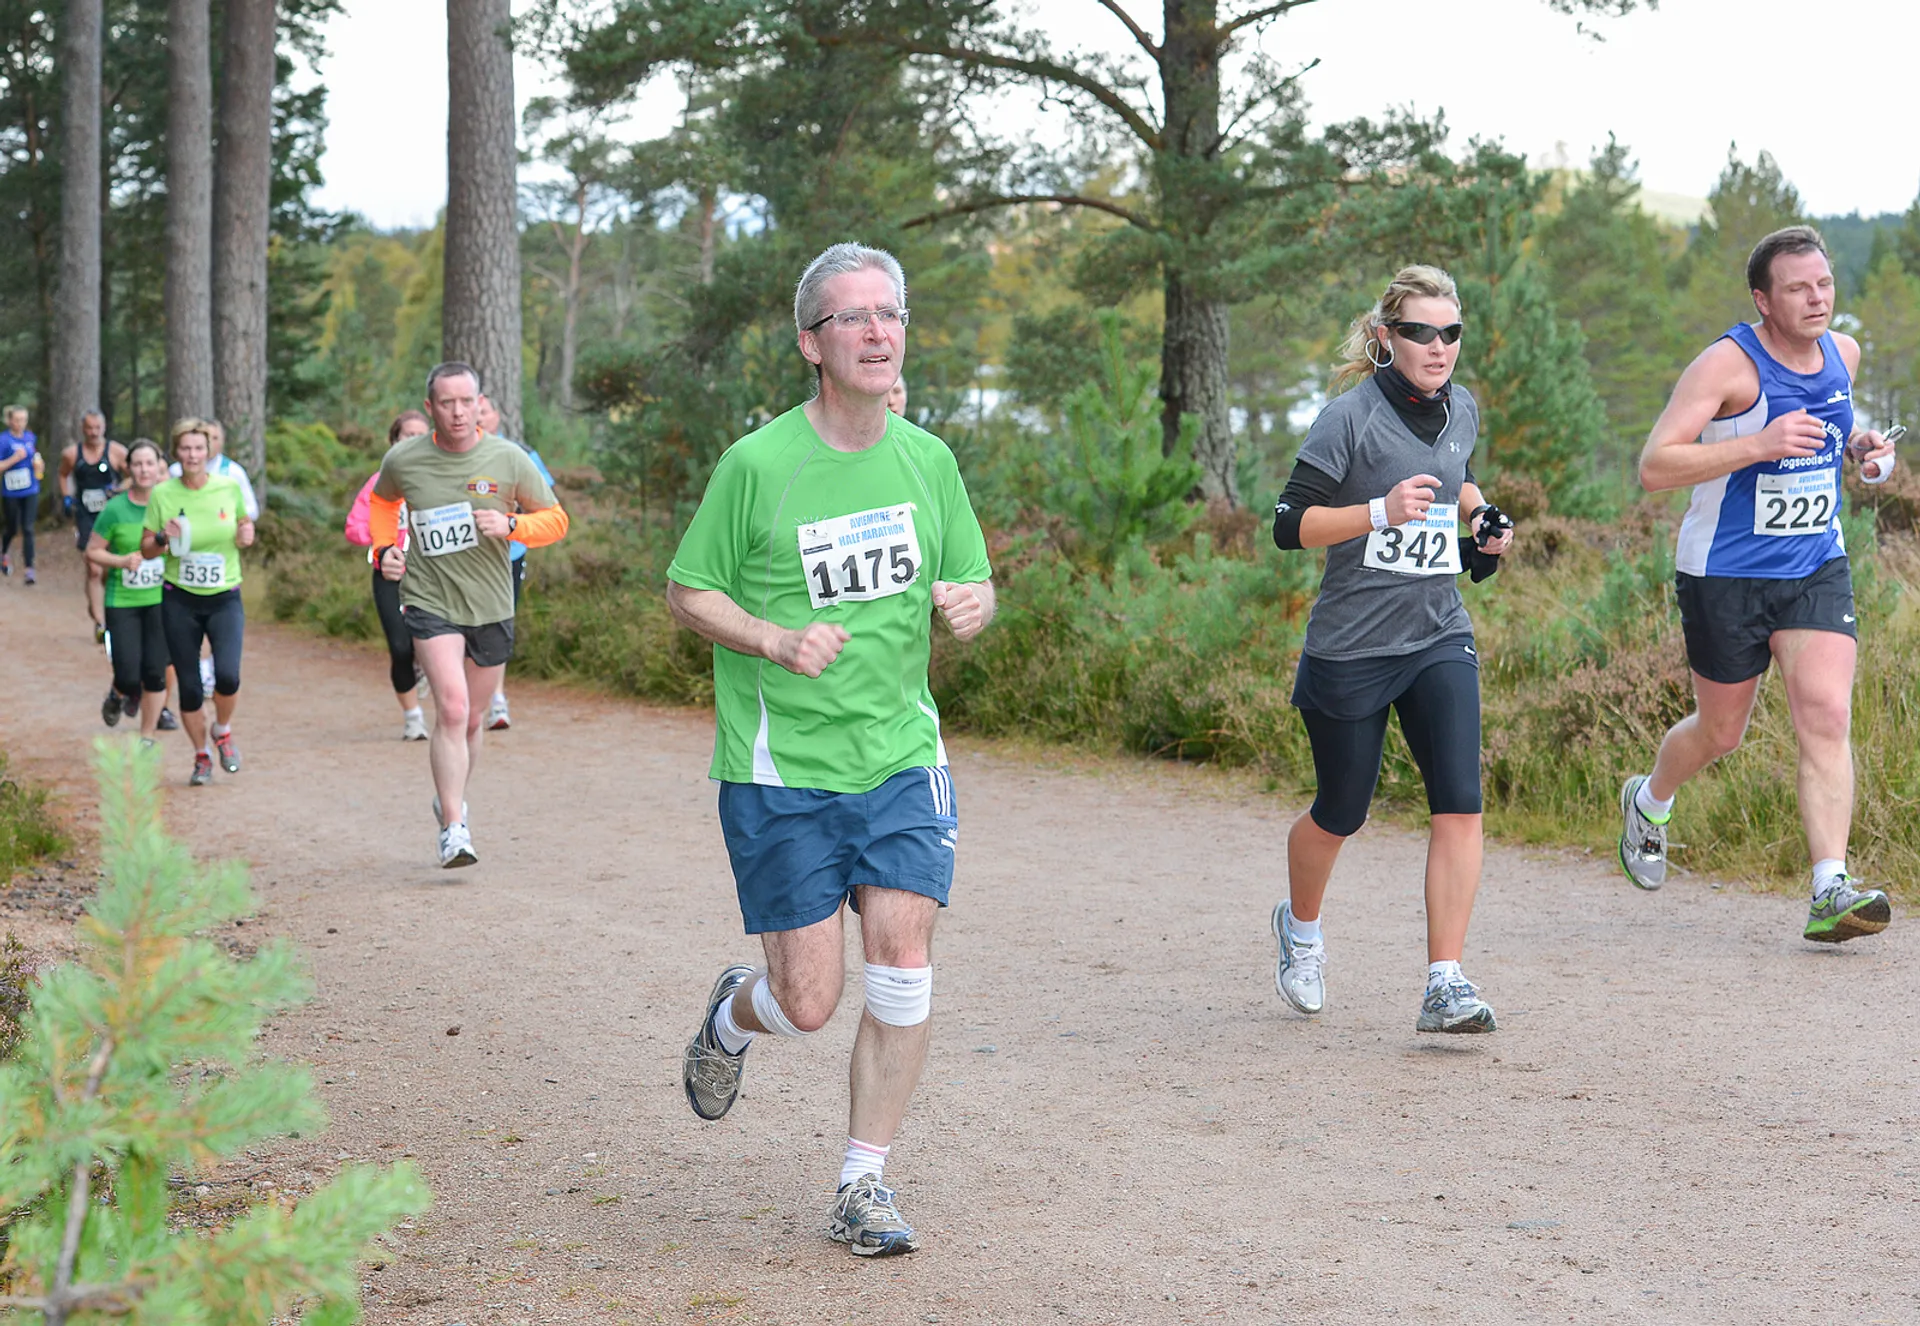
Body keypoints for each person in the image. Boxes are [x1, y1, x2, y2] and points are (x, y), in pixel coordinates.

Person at [670, 243, 995, 1258]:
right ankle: (734, 1017)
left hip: (900, 754)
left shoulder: (929, 461)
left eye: (888, 313)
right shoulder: (758, 464)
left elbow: (972, 581)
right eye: (852, 316)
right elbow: (688, 590)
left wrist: (974, 605)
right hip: (782, 770)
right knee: (809, 1003)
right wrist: (773, 640)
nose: (876, 331)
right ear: (812, 344)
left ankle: (864, 1183)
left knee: (903, 964)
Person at [1619, 225, 1895, 944]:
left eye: (1824, 284)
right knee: (1721, 732)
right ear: (1763, 300)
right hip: (1725, 573)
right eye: (1798, 288)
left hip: (1814, 567)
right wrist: (1757, 445)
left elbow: (1830, 434)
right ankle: (1650, 798)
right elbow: (1654, 465)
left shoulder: (1844, 354)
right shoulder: (1726, 366)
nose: (1817, 298)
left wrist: (1861, 450)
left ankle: (1830, 887)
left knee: (1826, 714)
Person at [1267, 264, 1514, 1034]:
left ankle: (1445, 983)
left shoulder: (1462, 407)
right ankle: (1300, 929)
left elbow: (1456, 475)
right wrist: (1378, 511)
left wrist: (1481, 518)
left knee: (1460, 804)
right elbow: (1289, 526)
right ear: (1386, 336)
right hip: (1353, 646)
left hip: (1438, 632)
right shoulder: (1347, 418)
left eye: (1451, 332)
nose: (1438, 347)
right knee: (1342, 810)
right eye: (1419, 332)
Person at [367, 363, 568, 868]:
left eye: (466, 402)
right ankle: (454, 827)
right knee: (453, 709)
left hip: (491, 604)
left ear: (480, 404)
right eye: (446, 403)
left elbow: (556, 520)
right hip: (429, 599)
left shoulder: (508, 458)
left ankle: (451, 796)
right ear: (430, 406)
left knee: (474, 719)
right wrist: (384, 549)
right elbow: (382, 502)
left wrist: (512, 524)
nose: (458, 412)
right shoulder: (404, 458)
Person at [141, 419, 255, 786]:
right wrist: (163, 537)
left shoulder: (228, 486)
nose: (192, 455)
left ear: (210, 451)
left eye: (199, 448)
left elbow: (243, 527)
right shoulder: (163, 494)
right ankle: (201, 756)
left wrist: (246, 534)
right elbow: (147, 549)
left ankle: (222, 730)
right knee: (189, 686)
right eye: (186, 449)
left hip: (225, 598)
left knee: (228, 675)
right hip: (179, 600)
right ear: (176, 452)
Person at [347, 409, 433, 740]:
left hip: (432, 576)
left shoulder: (438, 479)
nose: (414, 441)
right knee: (399, 647)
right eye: (407, 435)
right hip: (390, 573)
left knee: (432, 641)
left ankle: (425, 668)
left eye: (421, 435)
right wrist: (382, 535)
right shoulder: (378, 483)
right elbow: (353, 527)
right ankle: (413, 717)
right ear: (394, 441)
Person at [471, 396, 556, 733]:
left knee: (499, 622)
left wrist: (512, 521)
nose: (478, 417)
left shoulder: (520, 453)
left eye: (484, 411)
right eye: (474, 412)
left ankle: (497, 699)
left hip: (509, 554)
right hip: (464, 558)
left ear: (497, 416)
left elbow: (546, 504)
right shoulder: (453, 455)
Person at [87, 440, 171, 742]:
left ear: (159, 468)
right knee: (127, 674)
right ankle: (117, 692)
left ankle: (147, 736)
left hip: (161, 600)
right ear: (128, 468)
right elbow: (92, 551)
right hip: (122, 600)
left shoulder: (170, 505)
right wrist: (121, 561)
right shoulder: (115, 509)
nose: (144, 470)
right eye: (138, 464)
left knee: (156, 672)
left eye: (150, 464)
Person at [61, 411, 128, 637]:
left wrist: (119, 489)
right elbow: (63, 474)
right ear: (83, 428)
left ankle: (99, 605)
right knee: (94, 568)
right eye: (89, 428)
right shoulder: (72, 454)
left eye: (97, 427)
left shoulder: (117, 451)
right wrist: (66, 497)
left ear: (104, 426)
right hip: (86, 516)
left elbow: (134, 476)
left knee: (107, 570)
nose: (93, 432)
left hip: (112, 515)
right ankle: (100, 623)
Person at [0, 405, 41, 583]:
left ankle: (29, 569)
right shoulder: (3, 440)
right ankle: (3, 552)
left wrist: (39, 465)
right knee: (12, 527)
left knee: (28, 528)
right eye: (17, 420)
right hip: (10, 492)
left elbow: (35, 458)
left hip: (30, 489)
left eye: (23, 419)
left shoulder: (30, 437)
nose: (20, 423)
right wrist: (15, 458)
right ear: (9, 421)